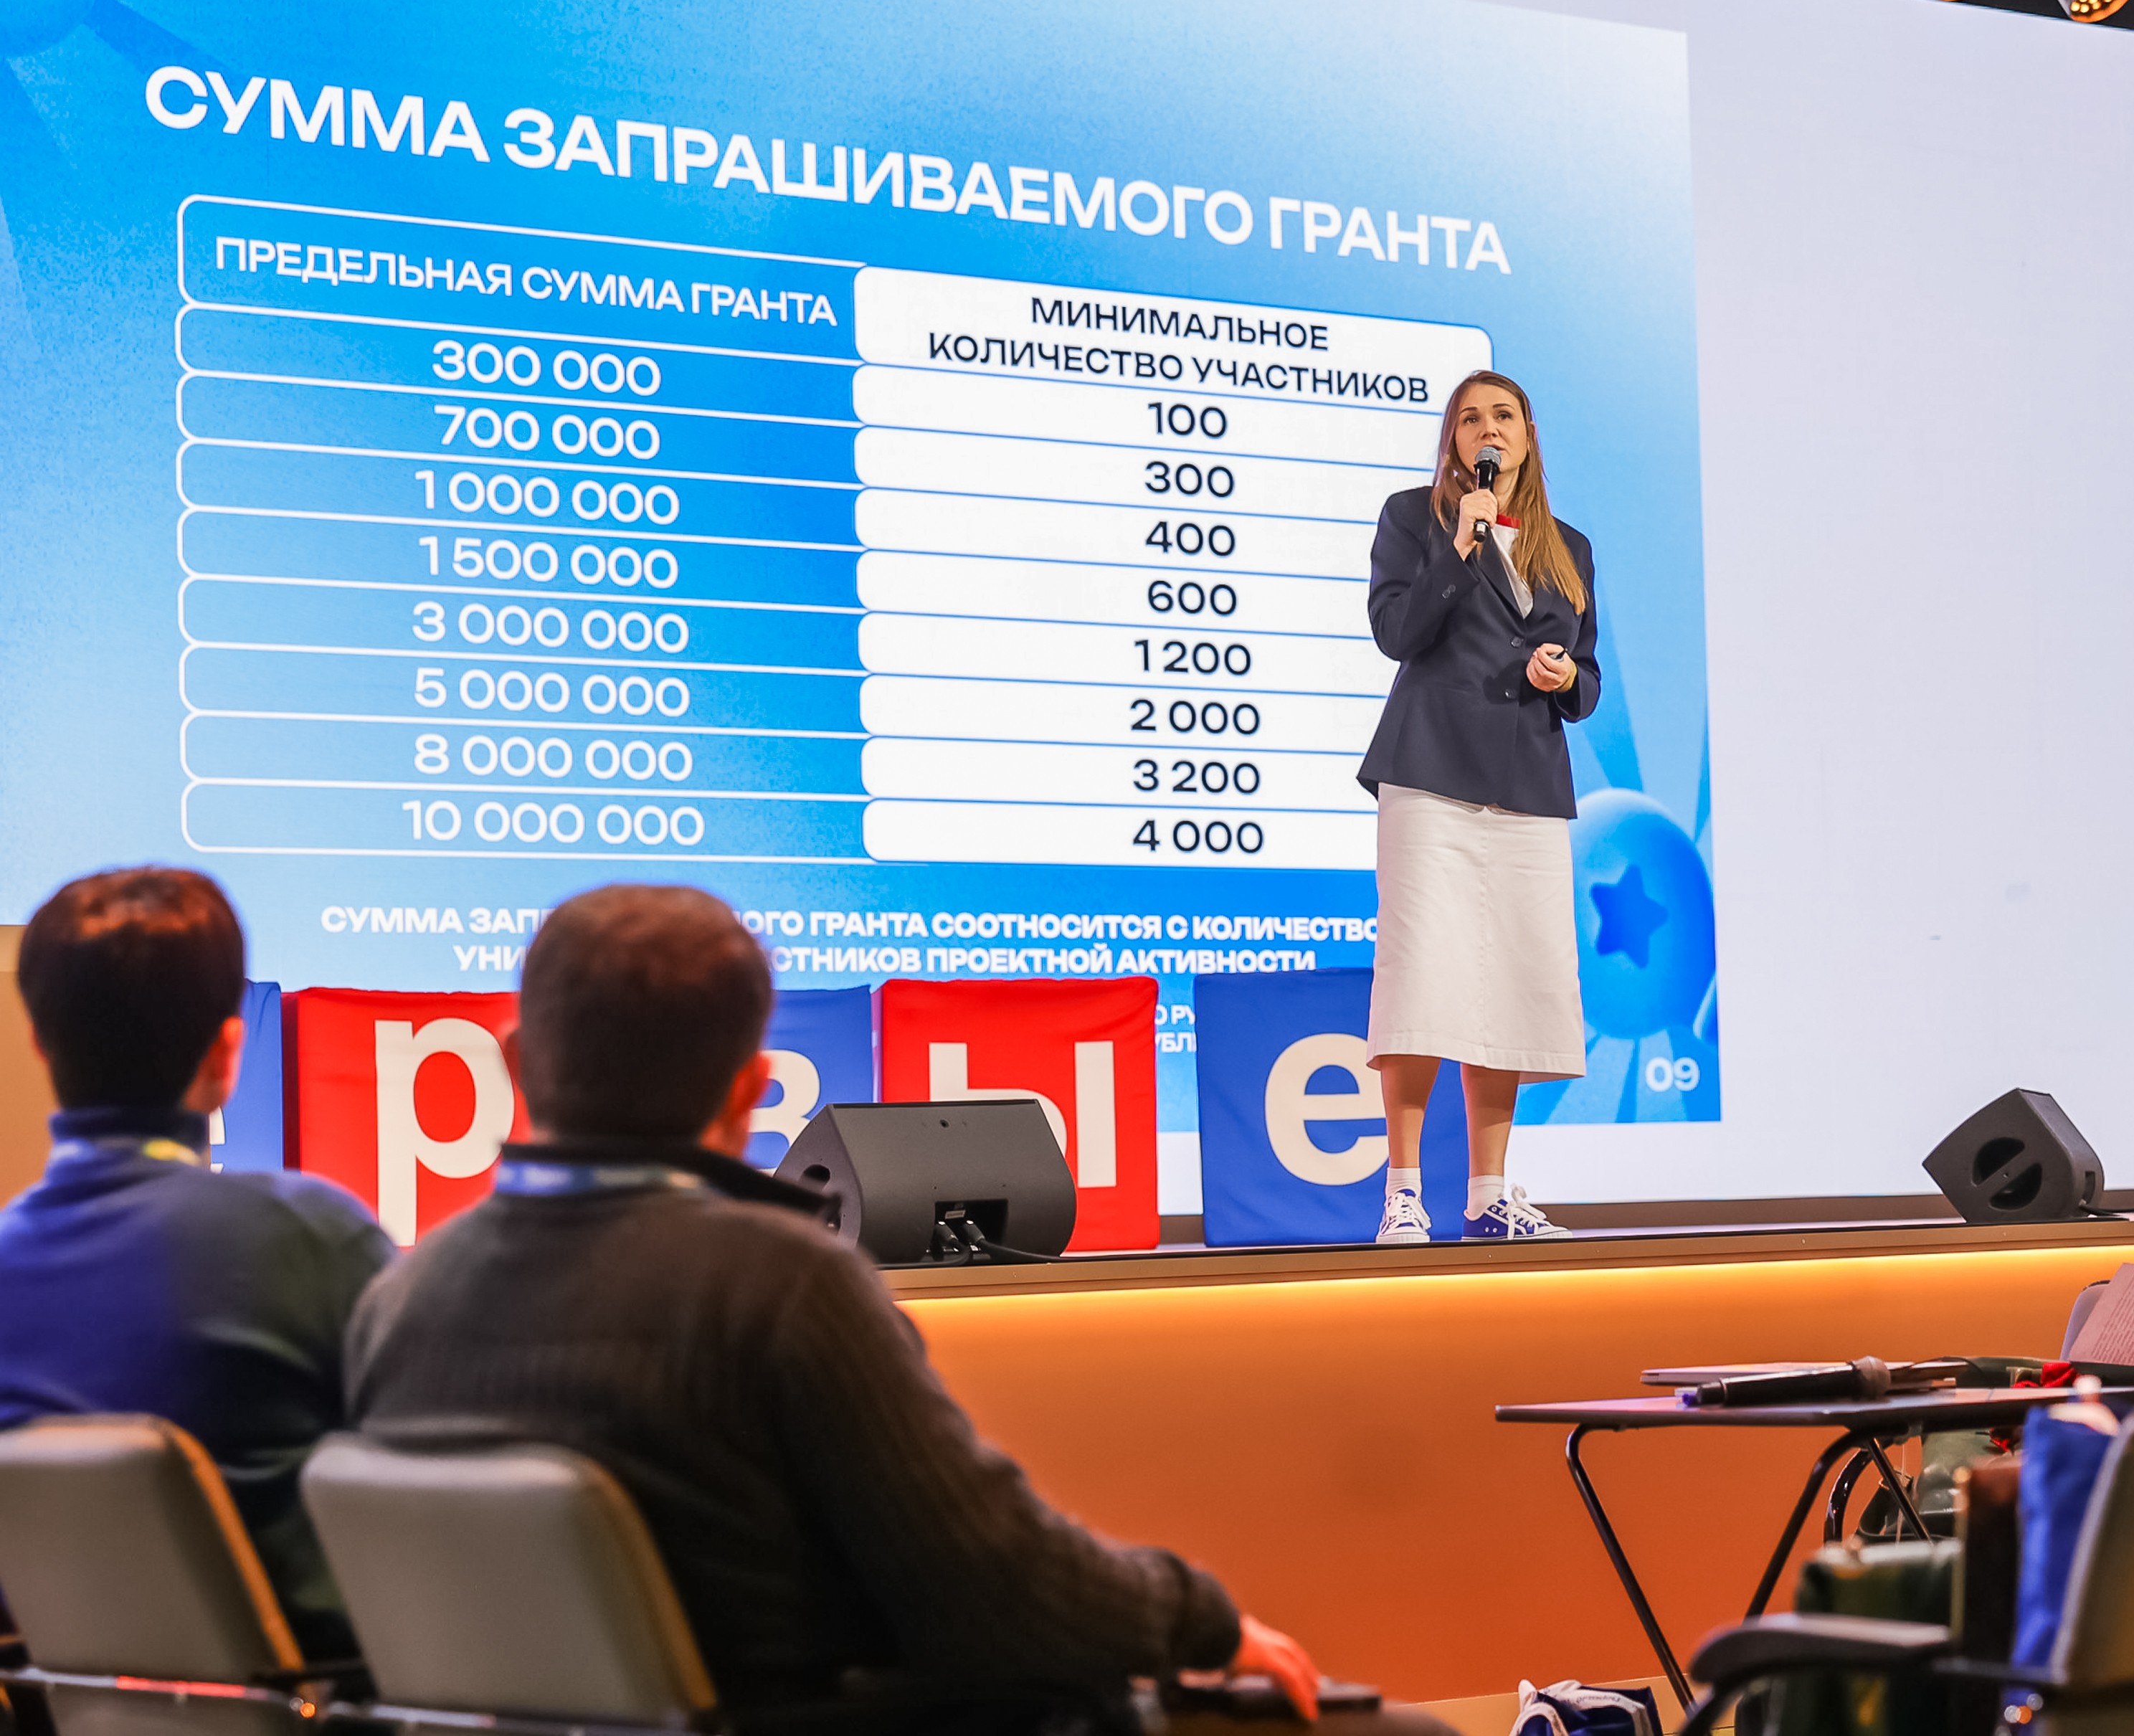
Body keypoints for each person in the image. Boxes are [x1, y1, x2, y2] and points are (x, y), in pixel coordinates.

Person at [345, 885, 1321, 1725]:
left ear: (514, 1063)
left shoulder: (399, 1298)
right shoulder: (781, 1285)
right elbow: (998, 1592)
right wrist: (1204, 1621)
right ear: (750, 1091)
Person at [0, 867, 392, 1656]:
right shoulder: (309, 1238)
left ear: (39, 1043)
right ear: (226, 1052)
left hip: (57, 1704)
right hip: (318, 1695)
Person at [1355, 370, 1600, 1245]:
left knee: (1509, 985)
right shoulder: (1413, 518)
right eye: (1469, 420)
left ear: (1527, 435)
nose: (1486, 430)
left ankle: (1488, 1195)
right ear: (1453, 442)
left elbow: (1588, 679)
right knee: (1425, 978)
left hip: (1526, 784)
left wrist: (1563, 676)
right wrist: (1458, 550)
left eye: (1502, 416)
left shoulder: (1567, 546)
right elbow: (1396, 634)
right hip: (1430, 774)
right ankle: (1404, 1192)